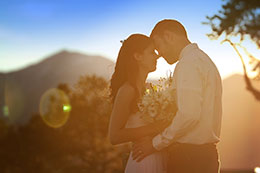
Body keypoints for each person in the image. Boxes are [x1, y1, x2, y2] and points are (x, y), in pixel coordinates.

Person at [132, 19, 223, 173]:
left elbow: (189, 115)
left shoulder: (188, 63)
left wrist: (155, 143)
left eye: (158, 46)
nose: (159, 54)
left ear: (169, 36)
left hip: (190, 159)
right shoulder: (204, 60)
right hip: (204, 157)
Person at [108, 34, 169, 173]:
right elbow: (114, 136)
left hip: (159, 156)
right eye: (151, 52)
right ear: (138, 56)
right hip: (143, 162)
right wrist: (156, 128)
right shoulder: (127, 90)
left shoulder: (149, 88)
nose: (156, 56)